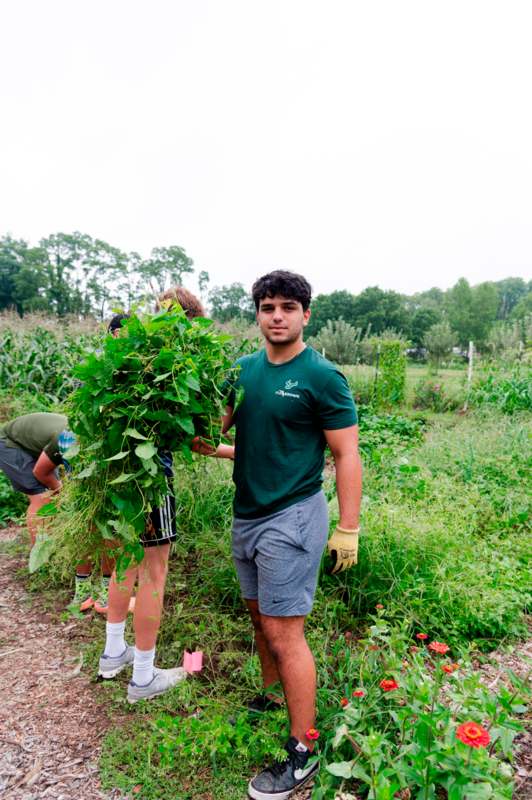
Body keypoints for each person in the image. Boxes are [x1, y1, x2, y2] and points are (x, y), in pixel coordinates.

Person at [221, 270, 362, 799]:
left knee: (285, 634)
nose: (276, 316)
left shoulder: (322, 376)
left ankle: (303, 749)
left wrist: (348, 527)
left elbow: (347, 454)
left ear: (306, 314)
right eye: (266, 307)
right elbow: (216, 430)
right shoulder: (241, 371)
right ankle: (268, 692)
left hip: (294, 516)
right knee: (260, 619)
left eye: (286, 307)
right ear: (256, 314)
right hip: (248, 513)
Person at [98, 288, 232, 702]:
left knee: (125, 562)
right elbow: (199, 440)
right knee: (154, 573)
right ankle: (142, 677)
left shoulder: (128, 354)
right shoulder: (177, 359)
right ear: (192, 319)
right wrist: (234, 451)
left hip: (115, 475)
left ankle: (112, 653)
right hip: (150, 480)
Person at [0, 412, 111, 610]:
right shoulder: (67, 439)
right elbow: (40, 472)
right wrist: (62, 493)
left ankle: (101, 588)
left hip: (40, 444)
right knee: (42, 497)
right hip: (12, 444)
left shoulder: (94, 441)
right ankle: (42, 559)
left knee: (88, 514)